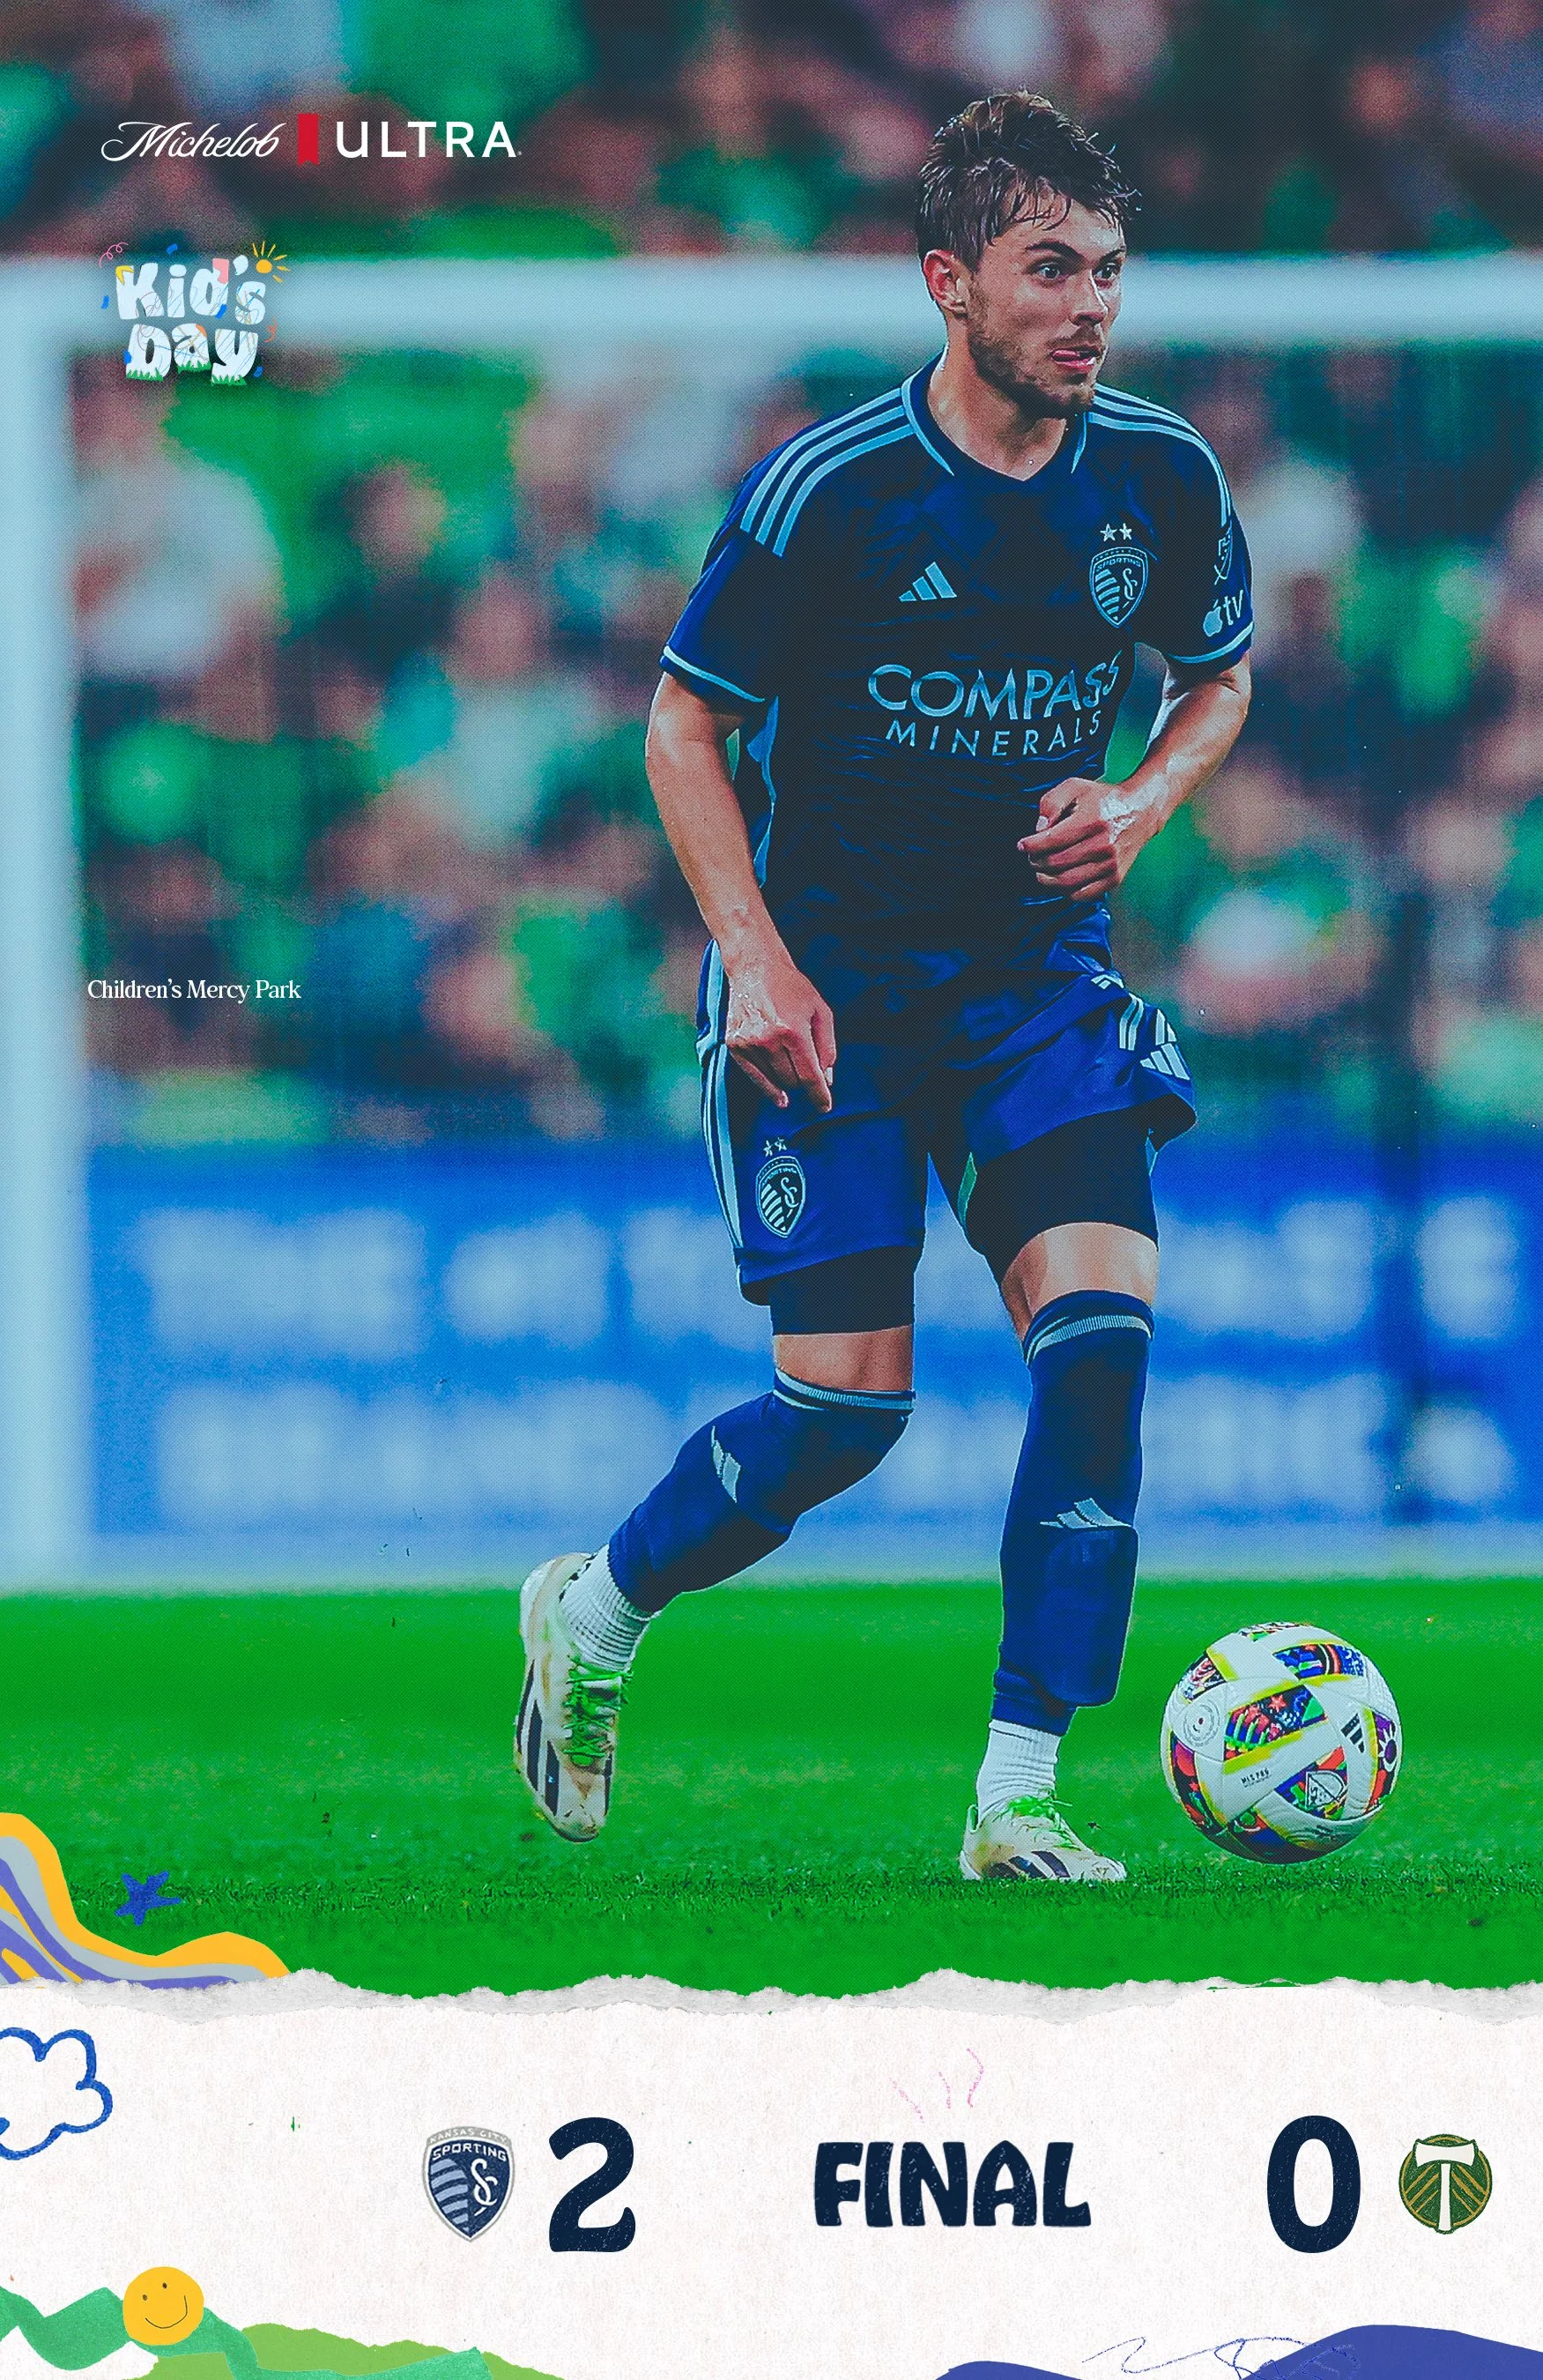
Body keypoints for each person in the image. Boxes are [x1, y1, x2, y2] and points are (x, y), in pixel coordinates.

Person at [514, 91, 1253, 1881]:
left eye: (1112, 274)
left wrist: (1142, 801)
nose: (1092, 308)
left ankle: (1018, 1797)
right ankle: (597, 1610)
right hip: (827, 998)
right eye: (1052, 270)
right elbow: (684, 725)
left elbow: (1214, 678)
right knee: (846, 1409)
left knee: (1099, 1351)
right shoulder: (831, 491)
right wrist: (754, 958)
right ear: (949, 283)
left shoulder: (1158, 475)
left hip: (1038, 994)